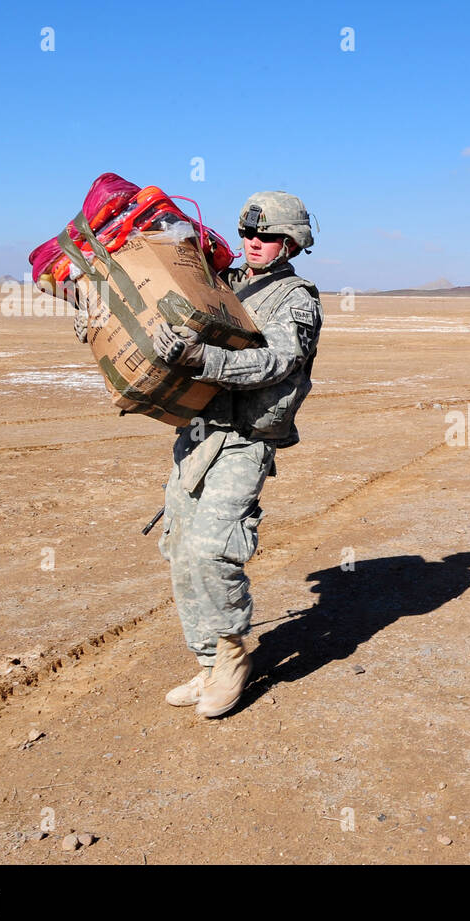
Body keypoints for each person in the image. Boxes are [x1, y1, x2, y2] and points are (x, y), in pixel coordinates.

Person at [148, 191, 323, 717]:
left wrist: (203, 359)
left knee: (212, 549)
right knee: (180, 548)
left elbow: (279, 362)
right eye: (249, 233)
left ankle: (231, 658)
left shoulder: (295, 298)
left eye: (267, 236)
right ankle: (206, 665)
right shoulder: (225, 283)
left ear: (290, 242)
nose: (253, 242)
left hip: (245, 441)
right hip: (197, 433)